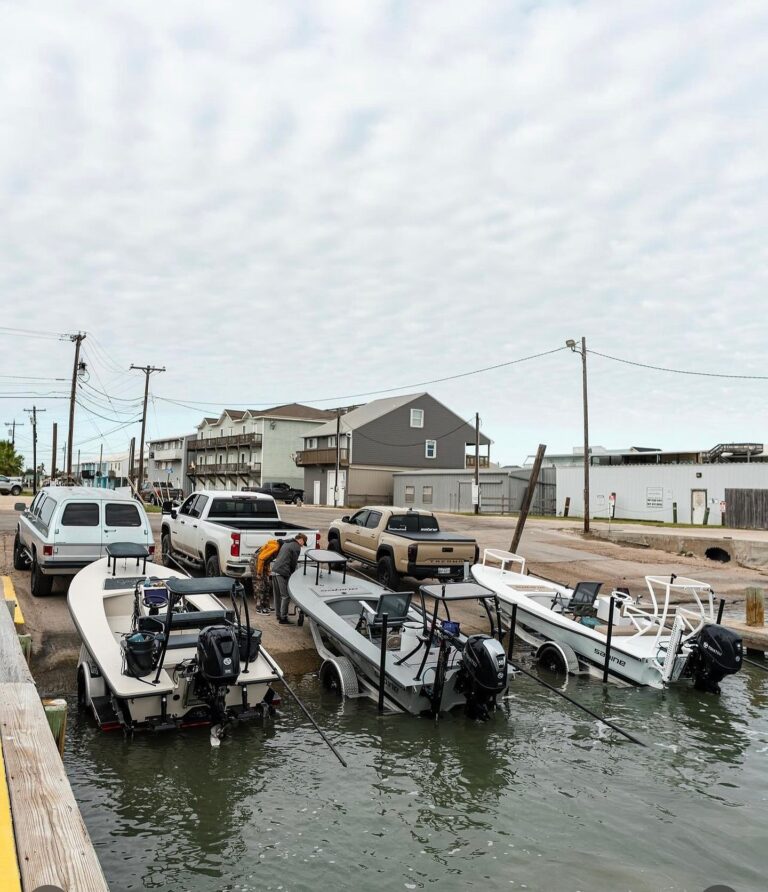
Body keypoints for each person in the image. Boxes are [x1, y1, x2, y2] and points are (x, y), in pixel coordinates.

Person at [271, 533, 308, 624]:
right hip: (282, 572)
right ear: (301, 540)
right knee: (285, 596)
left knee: (277, 595)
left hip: (274, 570)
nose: (303, 545)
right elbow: (293, 563)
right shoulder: (296, 546)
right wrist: (292, 575)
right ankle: (283, 618)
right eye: (304, 542)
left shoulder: (286, 543)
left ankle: (278, 615)